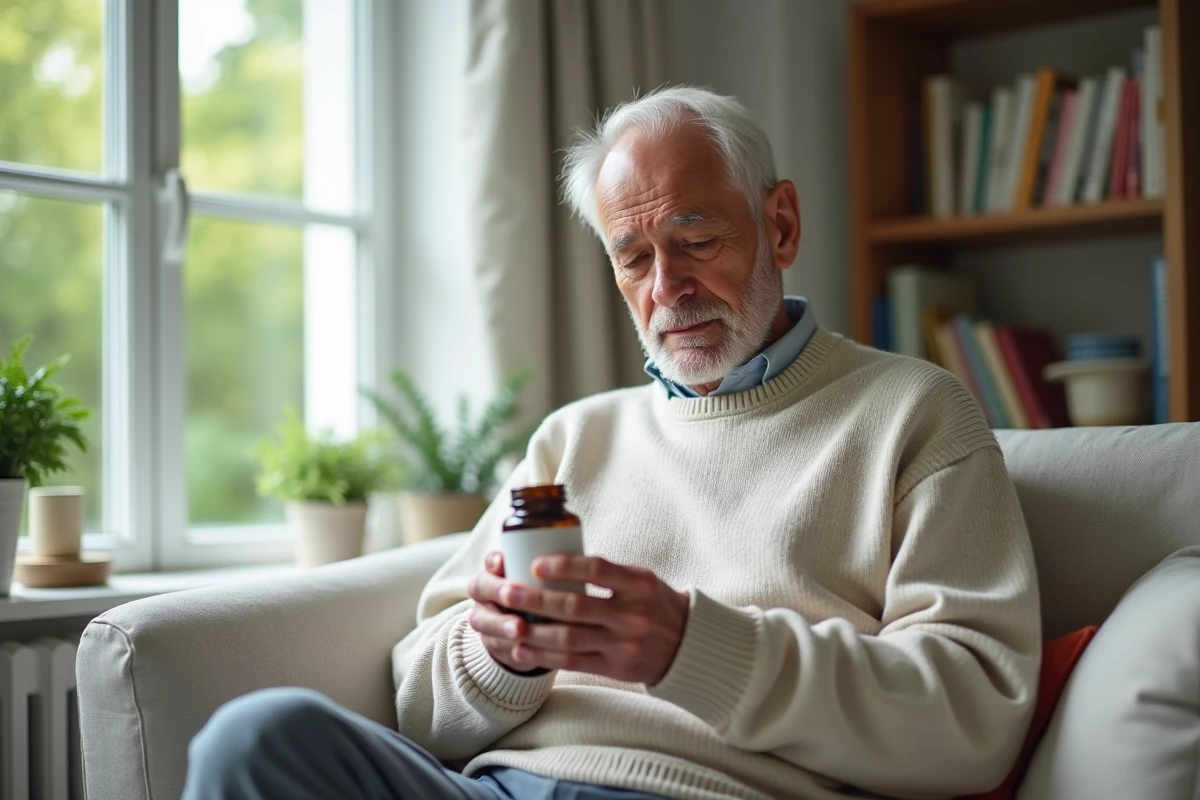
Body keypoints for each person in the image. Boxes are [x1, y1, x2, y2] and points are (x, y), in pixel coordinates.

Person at [183, 86, 1041, 800]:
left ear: (780, 225)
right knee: (258, 738)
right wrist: (500, 654)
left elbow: (971, 720)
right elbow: (421, 705)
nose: (668, 287)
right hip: (499, 785)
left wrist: (691, 650)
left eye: (697, 240)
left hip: (713, 792)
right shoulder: (575, 437)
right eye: (633, 258)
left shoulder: (914, 414)